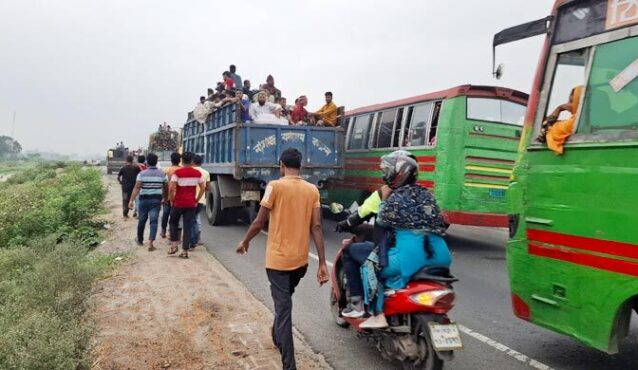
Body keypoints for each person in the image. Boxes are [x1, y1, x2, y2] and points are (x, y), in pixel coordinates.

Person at [236, 147, 329, 370]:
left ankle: (289, 365)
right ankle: (277, 335)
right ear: (301, 166)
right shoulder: (312, 190)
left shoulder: (274, 186)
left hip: (277, 262)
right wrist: (323, 263)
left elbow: (259, 222)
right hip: (301, 263)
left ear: (281, 165)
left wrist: (245, 241)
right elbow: (316, 227)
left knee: (284, 309)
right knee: (284, 304)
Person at [168, 151, 205, 259]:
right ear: (192, 160)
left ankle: (174, 245)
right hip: (191, 204)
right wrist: (196, 199)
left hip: (178, 203)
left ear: (181, 160)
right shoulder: (197, 174)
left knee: (173, 222)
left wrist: (172, 199)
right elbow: (203, 188)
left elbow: (171, 188)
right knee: (187, 226)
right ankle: (184, 251)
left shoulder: (177, 173)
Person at [128, 153, 168, 251]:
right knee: (154, 220)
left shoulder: (141, 174)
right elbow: (166, 188)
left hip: (143, 200)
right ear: (156, 162)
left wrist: (131, 200)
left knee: (142, 220)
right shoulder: (163, 174)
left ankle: (140, 240)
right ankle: (151, 243)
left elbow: (137, 187)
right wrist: (165, 198)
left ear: (147, 162)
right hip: (156, 200)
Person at [536, 85, 583, 155]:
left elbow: (546, 129)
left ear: (579, 101)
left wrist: (559, 108)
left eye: (571, 101)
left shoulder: (576, 121)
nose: (567, 104)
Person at [189, 155, 210, 249]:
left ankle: (193, 241)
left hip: (191, 199)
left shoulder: (191, 171)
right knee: (195, 219)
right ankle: (196, 239)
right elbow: (208, 188)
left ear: (192, 161)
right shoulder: (206, 173)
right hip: (201, 200)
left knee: (191, 220)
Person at [160, 152, 181, 238]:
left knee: (165, 214)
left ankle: (163, 231)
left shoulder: (166, 170)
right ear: (179, 160)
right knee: (176, 217)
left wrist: (163, 197)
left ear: (171, 160)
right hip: (179, 198)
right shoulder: (182, 170)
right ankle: (174, 233)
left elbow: (163, 185)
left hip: (168, 197)